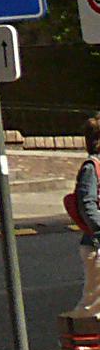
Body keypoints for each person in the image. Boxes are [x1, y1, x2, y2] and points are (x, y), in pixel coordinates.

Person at [76, 117, 100, 312]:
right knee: (92, 306)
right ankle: (73, 340)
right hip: (96, 244)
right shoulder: (91, 168)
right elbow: (87, 204)